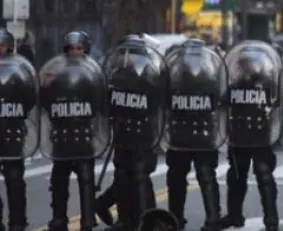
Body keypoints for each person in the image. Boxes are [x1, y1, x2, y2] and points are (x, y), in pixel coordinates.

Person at [96, 34, 164, 230]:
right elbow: (106, 106)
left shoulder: (145, 77)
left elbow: (156, 104)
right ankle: (137, 219)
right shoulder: (118, 77)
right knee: (129, 175)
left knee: (135, 175)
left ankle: (133, 216)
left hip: (138, 134)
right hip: (127, 133)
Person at [43, 31, 107, 231]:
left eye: (79, 48)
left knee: (86, 179)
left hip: (83, 134)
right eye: (71, 48)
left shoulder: (93, 73)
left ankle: (88, 219)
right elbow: (46, 102)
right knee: (58, 181)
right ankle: (59, 218)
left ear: (85, 49)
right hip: (62, 134)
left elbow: (100, 104)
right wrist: (47, 85)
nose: (75, 52)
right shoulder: (57, 72)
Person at [164, 39, 227, 231]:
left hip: (183, 133)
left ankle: (178, 219)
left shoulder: (176, 74)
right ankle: (212, 218)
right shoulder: (211, 74)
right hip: (201, 134)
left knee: (180, 177)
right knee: (203, 176)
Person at [220, 41, 281, 230]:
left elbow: (277, 103)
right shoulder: (234, 82)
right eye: (244, 64)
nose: (247, 68)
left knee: (263, 175)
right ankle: (234, 214)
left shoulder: (266, 82)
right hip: (239, 134)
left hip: (260, 135)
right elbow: (224, 103)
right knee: (237, 176)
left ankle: (271, 219)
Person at [0, 28, 34, 231]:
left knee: (14, 180)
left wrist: (13, 110)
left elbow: (29, 98)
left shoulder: (18, 70)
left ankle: (18, 223)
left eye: (2, 45)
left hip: (12, 131)